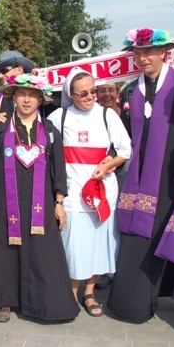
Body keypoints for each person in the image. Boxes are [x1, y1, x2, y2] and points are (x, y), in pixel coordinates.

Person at [107, 28, 174, 322]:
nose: (143, 58)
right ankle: (133, 299)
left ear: (164, 53)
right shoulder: (132, 90)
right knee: (137, 235)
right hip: (138, 179)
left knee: (168, 233)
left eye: (149, 52)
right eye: (138, 53)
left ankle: (168, 293)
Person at [0, 73, 79, 322]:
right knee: (5, 248)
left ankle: (40, 301)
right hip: (5, 201)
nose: (26, 100)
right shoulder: (1, 128)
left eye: (32, 96)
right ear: (14, 98)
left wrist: (59, 203)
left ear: (40, 100)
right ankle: (4, 301)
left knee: (43, 252)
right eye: (22, 95)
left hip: (42, 203)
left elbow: (59, 171)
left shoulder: (50, 131)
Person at [48, 70, 131, 317]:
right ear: (70, 95)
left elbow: (125, 151)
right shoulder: (59, 116)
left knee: (97, 245)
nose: (90, 96)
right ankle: (70, 292)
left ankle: (89, 291)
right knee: (74, 247)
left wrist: (108, 165)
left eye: (93, 90)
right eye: (83, 93)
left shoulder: (108, 116)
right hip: (73, 194)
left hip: (102, 193)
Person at [0, 51, 35, 145]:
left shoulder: (40, 95)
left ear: (19, 70)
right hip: (4, 157)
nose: (0, 76)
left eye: (4, 70)